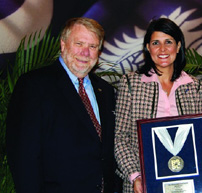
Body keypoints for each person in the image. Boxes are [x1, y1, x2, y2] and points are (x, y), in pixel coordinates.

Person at [6, 17, 120, 193]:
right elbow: (24, 157)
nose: (85, 52)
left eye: (92, 46)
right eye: (79, 43)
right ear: (63, 44)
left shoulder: (105, 91)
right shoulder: (34, 85)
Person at [114, 18, 202, 193]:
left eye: (168, 42)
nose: (162, 49)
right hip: (142, 183)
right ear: (148, 48)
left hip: (184, 182)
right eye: (156, 43)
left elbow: (199, 140)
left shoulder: (194, 86)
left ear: (178, 47)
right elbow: (121, 137)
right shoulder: (131, 84)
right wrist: (135, 176)